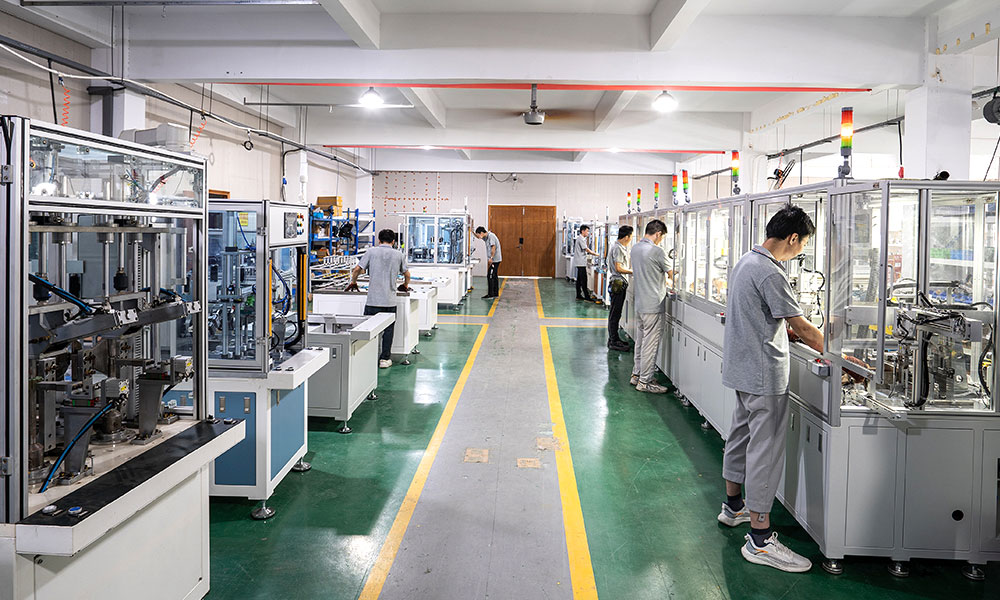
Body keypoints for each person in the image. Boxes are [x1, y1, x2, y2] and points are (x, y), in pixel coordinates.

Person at [718, 205, 823, 573]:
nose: (801, 250)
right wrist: (838, 355)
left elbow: (762, 317)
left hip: (742, 369)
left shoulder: (746, 261)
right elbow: (804, 328)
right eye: (803, 243)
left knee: (740, 436)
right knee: (765, 450)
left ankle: (734, 507)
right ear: (792, 238)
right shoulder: (770, 272)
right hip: (764, 375)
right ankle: (760, 539)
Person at [347, 228, 411, 369]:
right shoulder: (399, 255)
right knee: (388, 331)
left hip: (373, 300)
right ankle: (384, 359)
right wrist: (405, 285)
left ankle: (366, 357)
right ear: (393, 241)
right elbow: (407, 274)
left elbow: (357, 269)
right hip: (389, 301)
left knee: (368, 329)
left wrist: (353, 282)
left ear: (379, 240)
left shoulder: (371, 252)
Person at [629, 219, 670, 393]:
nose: (661, 241)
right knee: (650, 345)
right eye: (662, 237)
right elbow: (671, 272)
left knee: (640, 341)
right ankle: (645, 382)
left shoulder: (635, 248)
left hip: (640, 304)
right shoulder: (657, 251)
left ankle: (636, 374)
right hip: (653, 305)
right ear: (658, 234)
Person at [607, 225, 633, 351]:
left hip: (617, 282)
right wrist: (632, 271)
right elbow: (618, 268)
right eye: (631, 237)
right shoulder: (618, 248)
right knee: (615, 313)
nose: (631, 239)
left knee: (615, 313)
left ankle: (614, 338)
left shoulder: (617, 246)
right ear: (627, 237)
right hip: (618, 282)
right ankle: (613, 341)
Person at [572, 224, 600, 301]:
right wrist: (595, 254)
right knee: (584, 280)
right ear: (582, 231)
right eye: (587, 231)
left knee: (579, 280)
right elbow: (586, 249)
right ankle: (587, 297)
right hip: (581, 263)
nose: (588, 233)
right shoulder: (581, 239)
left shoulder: (580, 239)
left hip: (580, 262)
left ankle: (578, 295)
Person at [475, 226, 502, 299]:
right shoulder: (486, 237)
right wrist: (471, 231)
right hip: (494, 260)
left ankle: (491, 294)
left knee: (490, 276)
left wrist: (491, 258)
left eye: (478, 235)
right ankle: (495, 293)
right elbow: (478, 237)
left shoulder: (491, 236)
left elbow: (493, 247)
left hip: (495, 260)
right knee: (494, 276)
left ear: (481, 233)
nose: (478, 237)